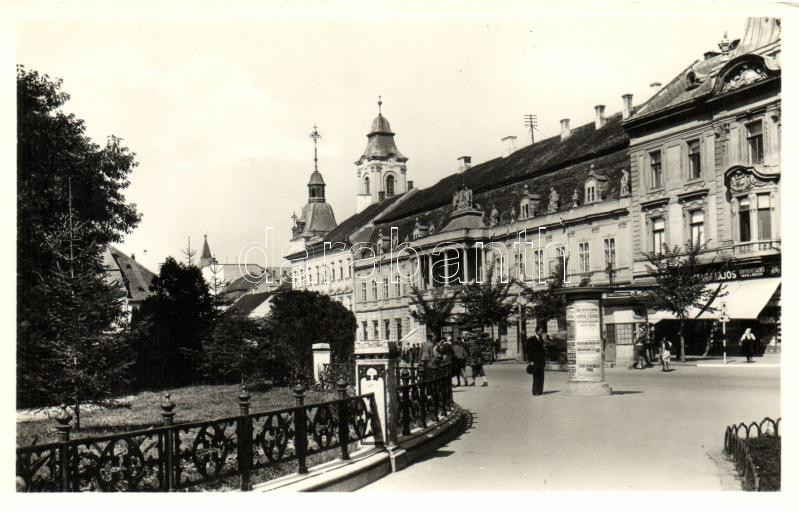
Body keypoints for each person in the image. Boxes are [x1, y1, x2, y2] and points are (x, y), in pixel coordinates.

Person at [527, 327, 546, 396]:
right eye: (541, 331)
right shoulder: (531, 339)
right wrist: (531, 361)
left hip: (541, 361)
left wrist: (544, 360)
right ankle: (535, 391)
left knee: (541, 376)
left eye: (542, 331)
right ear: (537, 331)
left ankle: (540, 391)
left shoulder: (541, 339)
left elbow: (542, 351)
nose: (542, 332)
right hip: (535, 361)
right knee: (536, 377)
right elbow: (529, 351)